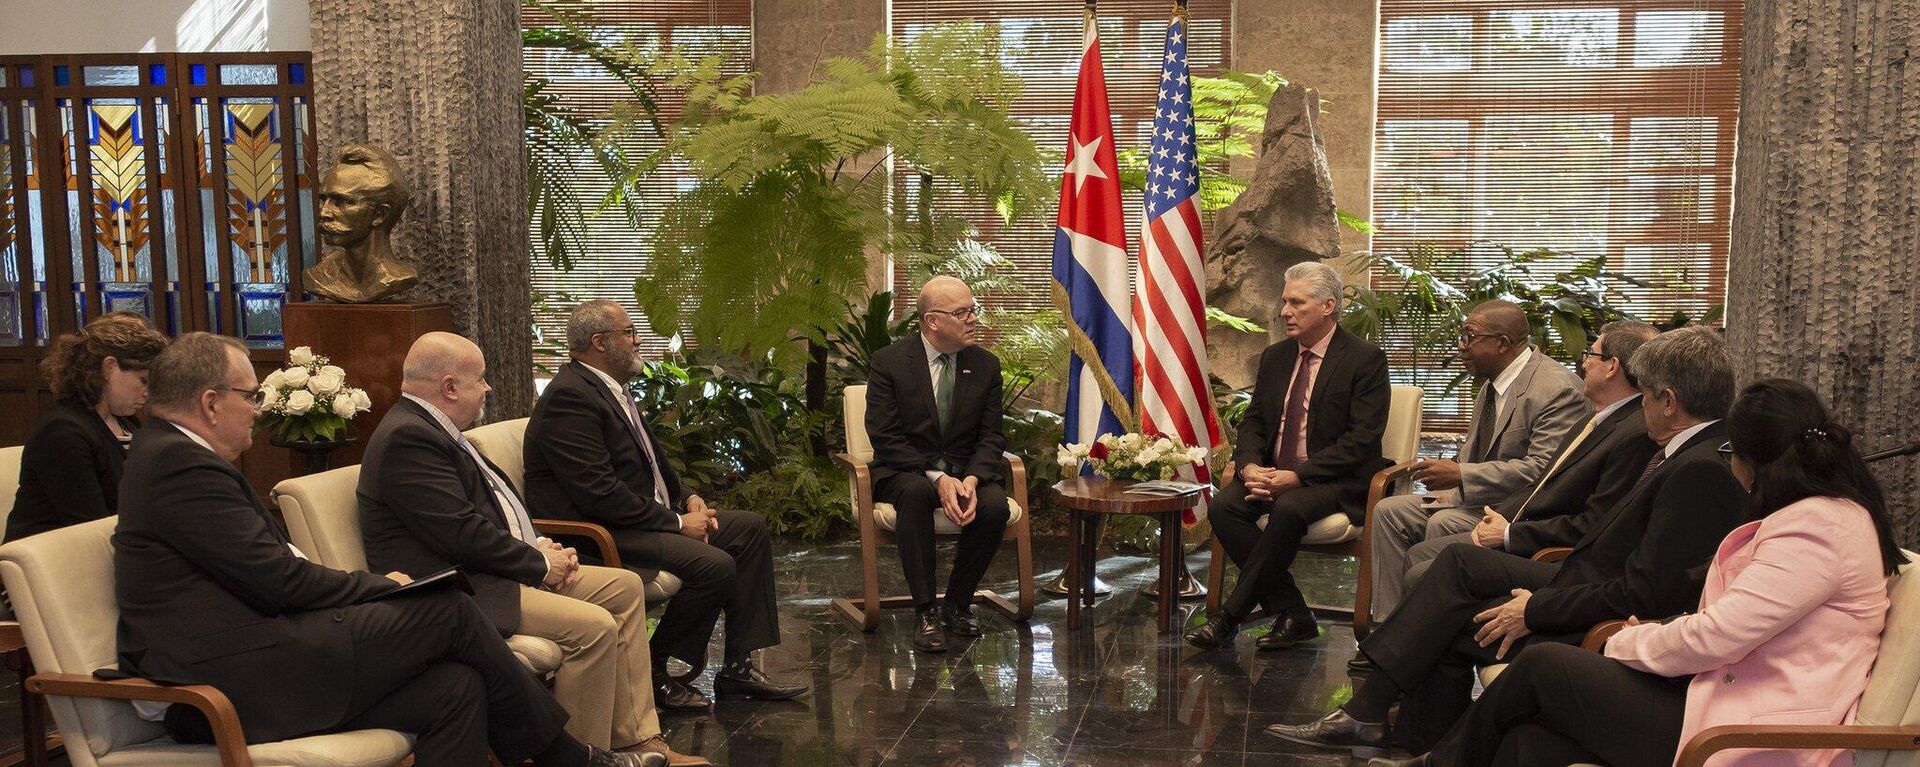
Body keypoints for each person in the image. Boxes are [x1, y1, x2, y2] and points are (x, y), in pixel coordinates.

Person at [112, 332, 660, 767]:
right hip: (227, 679)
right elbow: (277, 580)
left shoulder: (173, 457)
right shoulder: (178, 465)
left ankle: (566, 756)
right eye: (249, 395)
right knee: (447, 607)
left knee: (457, 687)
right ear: (210, 402)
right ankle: (565, 757)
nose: (257, 409)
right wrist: (384, 587)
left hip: (263, 654)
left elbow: (269, 574)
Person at [1369, 378, 1901, 767]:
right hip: (1719, 697)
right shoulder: (1823, 516)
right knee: (1528, 741)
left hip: (1751, 730)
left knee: (1546, 667)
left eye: (1731, 450)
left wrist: (1625, 642)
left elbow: (1718, 635)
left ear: (1756, 459)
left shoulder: (1817, 529)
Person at [1267, 326, 1748, 755]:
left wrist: (1535, 607)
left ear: (1667, 400)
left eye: (1643, 394)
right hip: (1578, 576)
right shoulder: (1693, 452)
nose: (1637, 405)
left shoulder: (1699, 470)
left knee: (1457, 614)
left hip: (1599, 608)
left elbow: (1645, 590)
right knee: (1458, 567)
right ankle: (1385, 721)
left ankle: (1379, 710)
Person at [359, 332, 703, 765]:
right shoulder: (408, 438)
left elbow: (484, 514)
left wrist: (535, 544)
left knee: (624, 587)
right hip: (461, 589)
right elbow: (460, 534)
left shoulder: (435, 429)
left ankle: (633, 738)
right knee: (592, 627)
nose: (487, 388)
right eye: (480, 380)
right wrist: (538, 563)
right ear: (449, 387)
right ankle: (584, 755)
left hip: (491, 569)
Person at [523, 300, 806, 709]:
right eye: (629, 332)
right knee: (714, 565)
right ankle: (652, 672)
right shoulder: (570, 397)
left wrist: (687, 496)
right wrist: (676, 523)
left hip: (637, 520)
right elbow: (598, 493)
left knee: (748, 528)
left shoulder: (610, 389)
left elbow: (653, 462)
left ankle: (737, 670)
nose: (637, 339)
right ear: (599, 343)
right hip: (599, 533)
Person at [1374, 321, 1662, 617]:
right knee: (1397, 520)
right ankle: (1390, 635)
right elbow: (1544, 484)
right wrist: (1470, 499)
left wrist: (1508, 529)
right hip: (1511, 515)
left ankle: (1411, 650)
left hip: (1547, 548)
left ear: (1612, 366)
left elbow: (1574, 507)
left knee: (1431, 554)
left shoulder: (1622, 427)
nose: (1583, 361)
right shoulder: (1595, 420)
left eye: (1591, 353)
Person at [1184, 262, 1391, 651]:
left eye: (1297, 303)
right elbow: (1256, 422)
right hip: (1272, 473)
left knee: (1290, 509)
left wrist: (1298, 475)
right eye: (1284, 302)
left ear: (1328, 306)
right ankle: (1294, 611)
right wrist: (1248, 466)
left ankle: (1229, 617)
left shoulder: (1365, 359)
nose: (1285, 312)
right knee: (1225, 505)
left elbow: (1362, 440)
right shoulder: (1276, 356)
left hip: (1337, 480)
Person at [1365, 300, 1588, 622]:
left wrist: (1461, 475)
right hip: (1477, 499)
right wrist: (1455, 477)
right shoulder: (1492, 383)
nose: (1461, 346)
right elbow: (1480, 451)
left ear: (1503, 343)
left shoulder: (1556, 390)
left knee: (1445, 521)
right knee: (1389, 511)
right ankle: (1388, 623)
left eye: (1469, 337)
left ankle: (1431, 627)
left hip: (1516, 511)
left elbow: (1543, 472)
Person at [865, 276, 1013, 654]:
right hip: (907, 470)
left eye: (972, 309)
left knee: (995, 507)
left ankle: (958, 604)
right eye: (961, 312)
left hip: (967, 470)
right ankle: (925, 609)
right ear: (932, 321)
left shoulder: (985, 365)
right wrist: (937, 476)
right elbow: (885, 435)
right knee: (915, 495)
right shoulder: (890, 363)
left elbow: (991, 435)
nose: (973, 319)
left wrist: (972, 478)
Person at [6, 311, 166, 542]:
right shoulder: (62, 432)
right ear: (109, 368)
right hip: (59, 563)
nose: (148, 392)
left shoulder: (125, 420)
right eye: (143, 380)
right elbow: (91, 527)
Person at [303, 144, 419, 303]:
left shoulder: (397, 277)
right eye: (324, 200)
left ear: (379, 214)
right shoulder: (321, 276)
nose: (324, 213)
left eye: (341, 201)